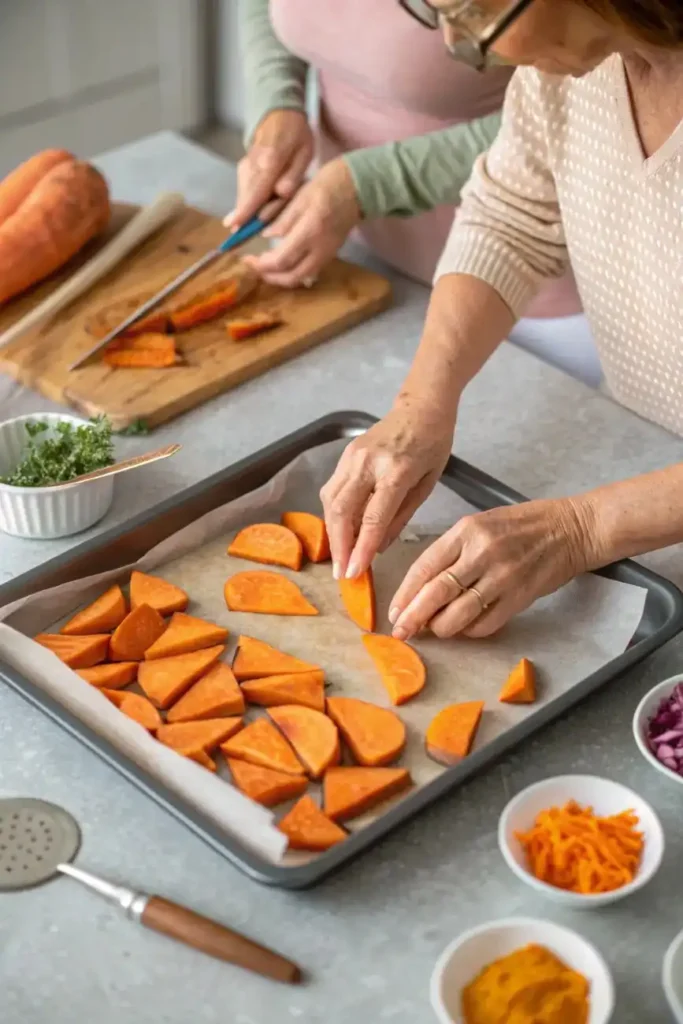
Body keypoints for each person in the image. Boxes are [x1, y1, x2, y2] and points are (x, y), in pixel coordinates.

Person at [320, 0, 683, 643]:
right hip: (646, 458)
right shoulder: (572, 68)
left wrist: (583, 528)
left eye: (473, 10)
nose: (460, 44)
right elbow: (511, 216)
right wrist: (420, 405)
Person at [230, 0, 588, 339]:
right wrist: (275, 102)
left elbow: (578, 115)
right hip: (354, 258)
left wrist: (368, 185)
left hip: (525, 290)